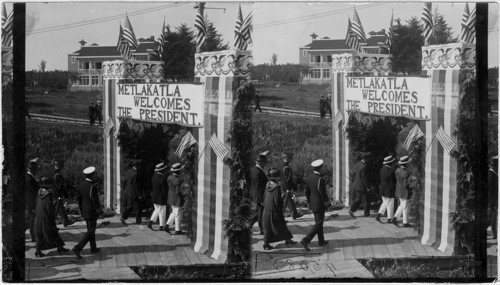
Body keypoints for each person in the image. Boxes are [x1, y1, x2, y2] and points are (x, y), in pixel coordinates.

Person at [34, 176, 70, 257]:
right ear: (48, 185)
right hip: (46, 217)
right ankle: (60, 247)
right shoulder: (49, 195)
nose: (51, 186)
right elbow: (49, 208)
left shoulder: (39, 192)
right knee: (53, 232)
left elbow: (36, 203)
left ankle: (38, 250)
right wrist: (54, 214)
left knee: (39, 234)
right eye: (50, 185)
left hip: (38, 216)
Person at [262, 168, 297, 250]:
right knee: (281, 224)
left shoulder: (267, 184)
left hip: (266, 209)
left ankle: (267, 243)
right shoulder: (277, 187)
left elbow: (265, 196)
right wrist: (281, 209)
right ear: (277, 178)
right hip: (274, 210)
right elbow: (278, 200)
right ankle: (285, 240)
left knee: (268, 227)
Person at [72, 166, 102, 259]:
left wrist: (81, 210)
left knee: (91, 229)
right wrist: (99, 210)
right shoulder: (92, 187)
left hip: (85, 211)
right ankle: (78, 247)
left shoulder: (81, 185)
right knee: (91, 230)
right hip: (92, 211)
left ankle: (93, 248)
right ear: (92, 175)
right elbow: (95, 200)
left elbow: (79, 199)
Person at [300, 159, 329, 251]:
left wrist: (309, 202)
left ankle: (321, 240)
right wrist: (328, 203)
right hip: (320, 204)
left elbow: (307, 192)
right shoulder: (321, 179)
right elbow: (323, 193)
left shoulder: (309, 177)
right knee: (319, 223)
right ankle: (306, 240)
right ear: (320, 168)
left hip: (313, 203)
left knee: (318, 222)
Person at [249, 153, 269, 235]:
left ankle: (249, 226)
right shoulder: (258, 172)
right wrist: (261, 199)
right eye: (264, 163)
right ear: (261, 163)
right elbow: (258, 187)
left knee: (258, 213)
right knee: (260, 213)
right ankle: (261, 229)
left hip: (255, 194)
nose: (265, 165)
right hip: (259, 196)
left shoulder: (253, 170)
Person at [121, 159, 145, 225]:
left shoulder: (129, 171)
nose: (141, 166)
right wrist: (140, 195)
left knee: (131, 206)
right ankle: (137, 220)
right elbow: (136, 186)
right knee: (136, 206)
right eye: (140, 165)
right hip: (134, 193)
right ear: (137, 165)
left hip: (128, 191)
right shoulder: (136, 174)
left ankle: (124, 217)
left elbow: (126, 181)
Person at [147, 163, 170, 232]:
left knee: (157, 210)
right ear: (162, 170)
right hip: (161, 197)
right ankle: (161, 226)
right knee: (162, 211)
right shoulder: (162, 179)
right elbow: (164, 190)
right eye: (164, 170)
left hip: (154, 196)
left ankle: (150, 222)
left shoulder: (154, 176)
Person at [281, 152, 303, 220]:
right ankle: (281, 217)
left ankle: (294, 214)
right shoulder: (286, 167)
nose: (291, 159)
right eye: (290, 158)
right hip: (286, 188)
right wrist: (294, 187)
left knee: (290, 201)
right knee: (286, 202)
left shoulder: (281, 165)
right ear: (286, 158)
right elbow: (289, 179)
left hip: (283, 186)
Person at [349, 153, 372, 218]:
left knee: (359, 199)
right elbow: (365, 178)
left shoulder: (358, 164)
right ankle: (366, 214)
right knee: (367, 199)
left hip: (357, 184)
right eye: (368, 158)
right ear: (365, 158)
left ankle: (352, 210)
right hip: (363, 186)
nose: (369, 159)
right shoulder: (364, 167)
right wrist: (368, 187)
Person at [375, 156, 396, 223]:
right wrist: (394, 190)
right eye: (392, 162)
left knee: (385, 203)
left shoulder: (382, 169)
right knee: (390, 204)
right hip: (389, 190)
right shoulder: (390, 172)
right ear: (390, 163)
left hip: (383, 189)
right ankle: (389, 218)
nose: (393, 163)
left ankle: (379, 214)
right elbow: (392, 183)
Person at [53, 160, 74, 227]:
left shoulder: (52, 173)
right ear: (59, 166)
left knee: (60, 208)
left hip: (53, 194)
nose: (63, 167)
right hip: (57, 195)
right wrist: (65, 195)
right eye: (62, 165)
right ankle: (52, 224)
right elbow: (61, 187)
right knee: (56, 210)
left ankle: (66, 221)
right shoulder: (58, 175)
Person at [393, 156, 411, 227]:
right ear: (406, 164)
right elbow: (406, 184)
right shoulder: (406, 172)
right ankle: (405, 222)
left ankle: (395, 218)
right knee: (405, 207)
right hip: (404, 192)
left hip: (399, 190)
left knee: (401, 205)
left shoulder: (397, 170)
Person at [166, 163, 184, 235]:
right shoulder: (178, 180)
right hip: (177, 199)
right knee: (178, 215)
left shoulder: (169, 177)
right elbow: (178, 191)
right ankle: (178, 230)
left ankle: (167, 225)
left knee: (174, 212)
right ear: (178, 171)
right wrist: (183, 196)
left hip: (170, 197)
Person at [26, 159, 39, 242]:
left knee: (31, 219)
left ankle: (33, 235)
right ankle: (33, 236)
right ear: (33, 170)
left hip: (29, 201)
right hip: (32, 202)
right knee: (32, 220)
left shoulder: (28, 176)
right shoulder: (30, 179)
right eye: (36, 169)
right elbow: (32, 193)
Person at [488, 156, 498, 239]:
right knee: (493, 217)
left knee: (493, 216)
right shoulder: (491, 175)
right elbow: (490, 190)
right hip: (493, 200)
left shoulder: (493, 174)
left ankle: (495, 233)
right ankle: (495, 233)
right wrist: (492, 201)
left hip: (493, 200)